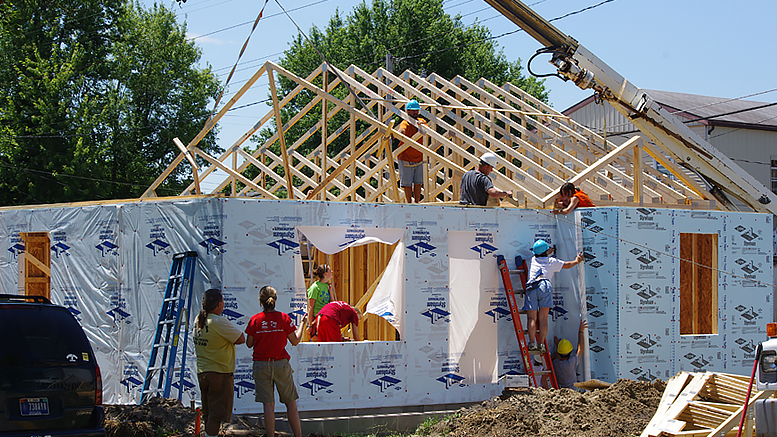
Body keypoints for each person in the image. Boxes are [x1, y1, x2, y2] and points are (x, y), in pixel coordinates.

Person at [245, 286, 306, 437]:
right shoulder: (284, 318)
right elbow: (295, 341)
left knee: (268, 405)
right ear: (275, 300)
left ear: (261, 302)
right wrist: (303, 323)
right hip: (281, 364)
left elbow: (249, 343)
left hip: (261, 365)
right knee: (290, 403)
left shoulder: (255, 320)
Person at [193, 288, 246, 437]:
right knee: (216, 416)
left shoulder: (198, 320)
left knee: (209, 413)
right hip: (219, 373)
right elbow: (241, 338)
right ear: (218, 304)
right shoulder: (218, 321)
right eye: (222, 302)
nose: (223, 305)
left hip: (203, 372)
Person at [523, 240, 583, 355]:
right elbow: (567, 265)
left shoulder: (533, 259)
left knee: (532, 318)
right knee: (543, 318)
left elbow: (541, 253)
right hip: (545, 286)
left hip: (532, 286)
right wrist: (576, 261)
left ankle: (531, 343)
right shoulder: (552, 261)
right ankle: (541, 344)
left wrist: (547, 250)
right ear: (546, 252)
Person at [394, 99, 427, 203]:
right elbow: (402, 129)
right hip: (405, 157)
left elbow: (427, 130)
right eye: (412, 110)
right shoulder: (405, 123)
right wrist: (397, 133)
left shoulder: (422, 121)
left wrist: (421, 125)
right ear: (407, 111)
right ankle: (409, 202)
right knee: (407, 183)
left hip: (419, 157)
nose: (415, 112)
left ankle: (416, 202)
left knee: (418, 182)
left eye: (416, 110)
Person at [552, 320, 588, 389]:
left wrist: (558, 345)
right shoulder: (571, 363)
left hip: (562, 390)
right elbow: (581, 348)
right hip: (573, 391)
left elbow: (557, 355)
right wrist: (581, 332)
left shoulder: (556, 363)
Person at [306, 263, 336, 340]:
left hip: (326, 320)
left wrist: (330, 291)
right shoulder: (315, 287)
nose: (332, 271)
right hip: (316, 320)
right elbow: (310, 307)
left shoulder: (327, 286)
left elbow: (332, 305)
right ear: (325, 274)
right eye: (330, 270)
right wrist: (310, 325)